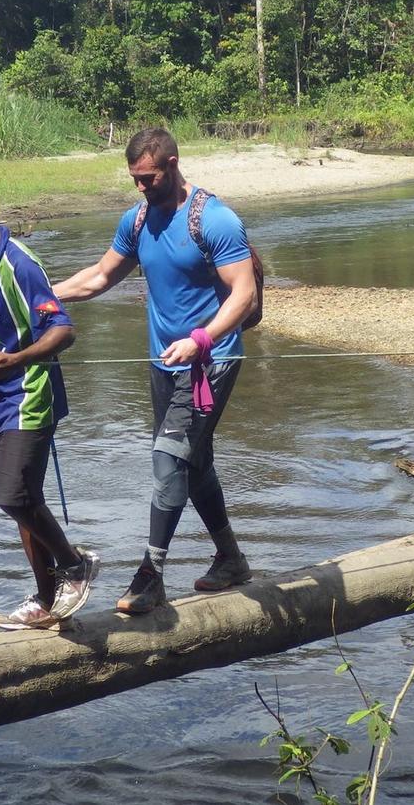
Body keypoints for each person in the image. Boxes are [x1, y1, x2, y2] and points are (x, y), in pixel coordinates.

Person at [54, 128, 257, 614]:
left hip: (211, 358)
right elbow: (100, 276)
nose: (141, 187)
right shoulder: (137, 219)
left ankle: (151, 576)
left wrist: (200, 338)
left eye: (148, 178)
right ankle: (231, 561)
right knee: (195, 461)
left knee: (168, 460)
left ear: (172, 163)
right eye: (135, 180)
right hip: (163, 364)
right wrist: (40, 297)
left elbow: (243, 293)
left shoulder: (214, 219)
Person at [0, 180, 99, 630]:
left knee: (11, 495)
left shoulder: (18, 264)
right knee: (25, 503)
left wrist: (19, 358)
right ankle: (47, 601)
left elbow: (63, 330)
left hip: (30, 396)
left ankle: (74, 565)